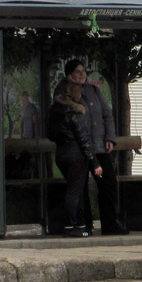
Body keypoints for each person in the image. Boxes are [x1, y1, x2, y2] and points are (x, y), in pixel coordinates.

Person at [59, 59, 129, 235]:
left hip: (99, 148)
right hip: (79, 151)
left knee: (108, 184)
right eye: (77, 71)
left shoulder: (94, 91)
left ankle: (110, 224)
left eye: (83, 71)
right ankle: (85, 225)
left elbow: (107, 116)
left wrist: (110, 138)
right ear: (69, 75)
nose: (81, 74)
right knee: (80, 189)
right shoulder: (64, 94)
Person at [47, 81, 103, 237]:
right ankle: (72, 226)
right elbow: (84, 139)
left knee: (73, 189)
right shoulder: (76, 112)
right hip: (76, 155)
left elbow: (50, 134)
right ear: (77, 94)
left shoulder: (54, 111)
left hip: (61, 153)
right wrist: (94, 162)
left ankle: (79, 224)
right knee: (75, 191)